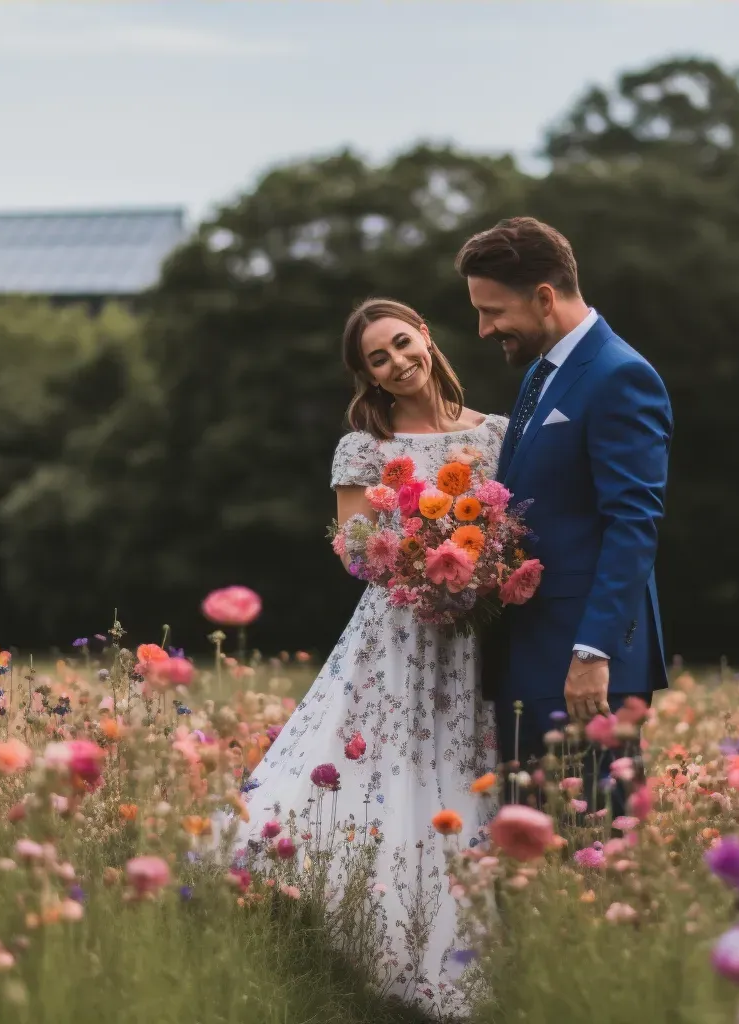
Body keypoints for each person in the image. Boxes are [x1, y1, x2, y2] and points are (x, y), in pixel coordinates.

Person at [223, 298, 503, 1019]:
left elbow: (512, 521)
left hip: (477, 631)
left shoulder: (498, 433)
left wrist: (481, 571)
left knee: (463, 764)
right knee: (393, 766)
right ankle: (375, 941)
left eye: (401, 344)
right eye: (378, 358)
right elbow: (354, 548)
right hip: (401, 629)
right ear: (368, 376)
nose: (397, 362)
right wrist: (419, 559)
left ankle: (469, 952)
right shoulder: (364, 445)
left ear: (427, 338)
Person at [454, 217, 673, 804]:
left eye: (493, 310)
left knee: (593, 846)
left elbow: (633, 523)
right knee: (536, 845)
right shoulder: (540, 374)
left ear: (544, 297)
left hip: (583, 669)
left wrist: (592, 652)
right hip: (530, 653)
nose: (483, 328)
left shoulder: (620, 376)